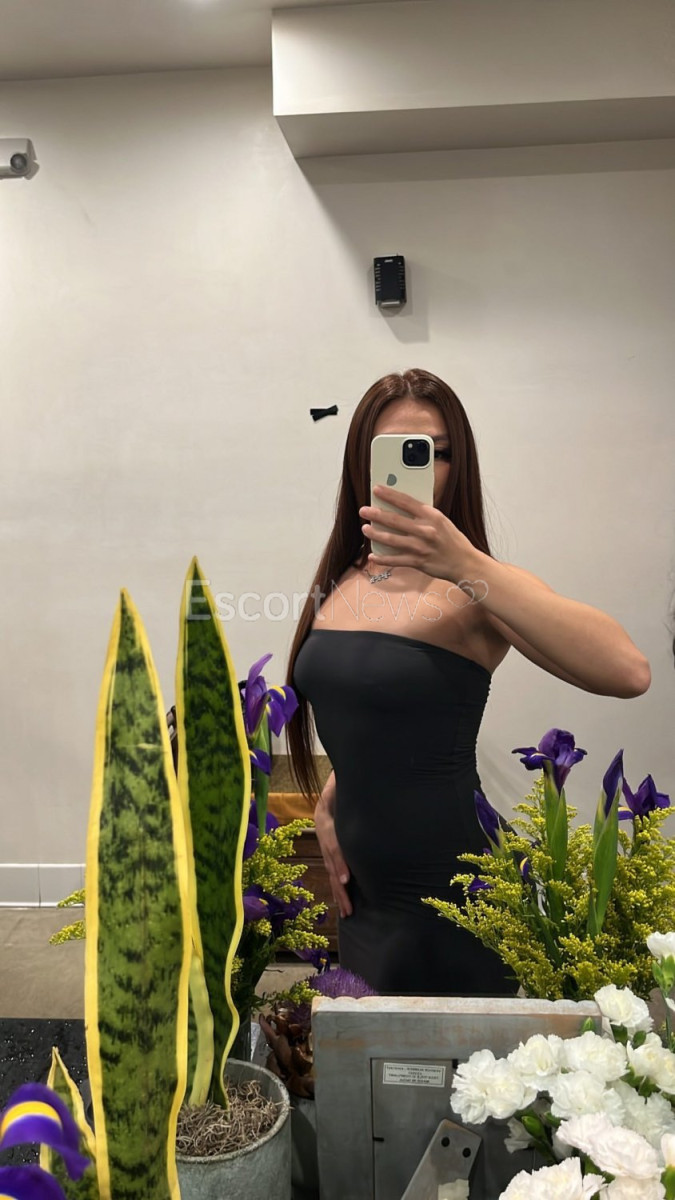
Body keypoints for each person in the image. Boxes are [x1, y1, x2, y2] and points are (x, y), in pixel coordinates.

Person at [284, 368, 651, 996]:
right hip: (364, 899)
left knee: (462, 1058)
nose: (419, 469)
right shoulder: (344, 577)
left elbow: (628, 670)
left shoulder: (476, 586)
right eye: (394, 450)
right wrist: (335, 792)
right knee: (371, 1055)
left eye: (437, 452)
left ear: (460, 465)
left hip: (457, 892)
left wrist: (463, 562)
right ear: (360, 463)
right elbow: (379, 708)